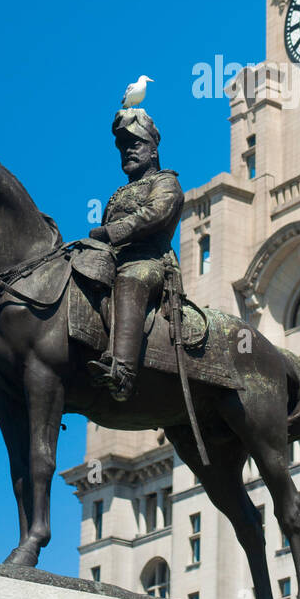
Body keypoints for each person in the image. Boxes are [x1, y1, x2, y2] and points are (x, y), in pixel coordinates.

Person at [86, 107, 184, 401]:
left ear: (153, 151)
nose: (127, 151)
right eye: (123, 147)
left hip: (150, 262)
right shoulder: (117, 194)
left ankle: (123, 372)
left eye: (135, 144)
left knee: (130, 281)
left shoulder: (165, 181)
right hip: (113, 261)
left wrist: (111, 232)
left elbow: (156, 213)